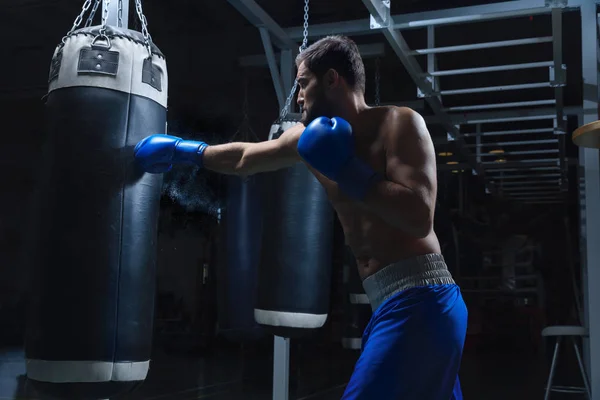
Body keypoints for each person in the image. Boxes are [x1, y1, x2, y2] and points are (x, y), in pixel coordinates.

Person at [134, 35, 467, 400]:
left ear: (332, 80)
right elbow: (246, 158)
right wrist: (187, 151)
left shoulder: (398, 124)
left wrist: (347, 169)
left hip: (423, 300)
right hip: (390, 304)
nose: (298, 97)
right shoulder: (306, 140)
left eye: (303, 83)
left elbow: (419, 217)